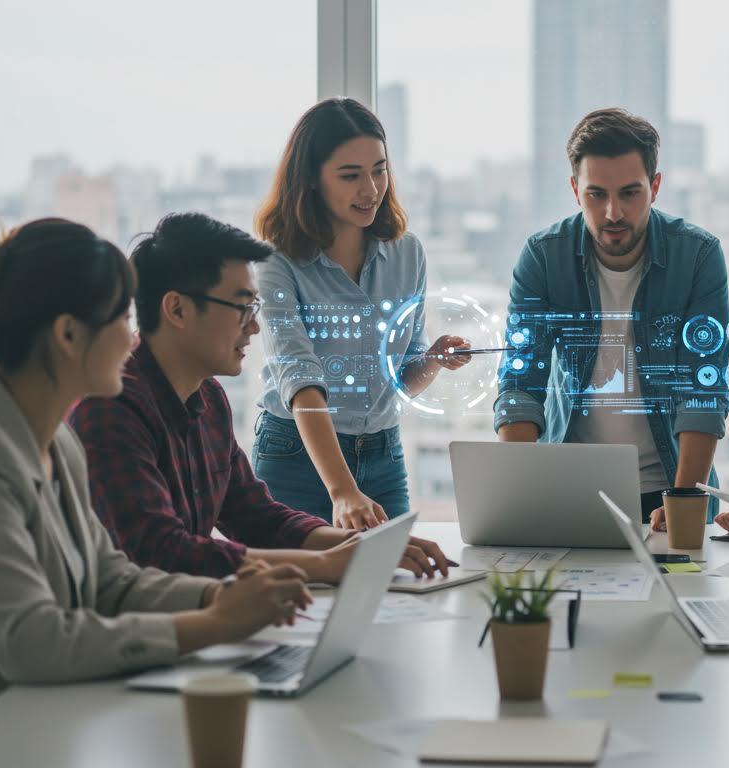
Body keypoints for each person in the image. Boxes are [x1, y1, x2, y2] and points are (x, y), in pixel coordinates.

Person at [0, 220, 311, 767]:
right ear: (69, 336)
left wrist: (221, 599)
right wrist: (215, 625)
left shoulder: (55, 444)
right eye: (121, 318)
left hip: (40, 719)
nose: (132, 336)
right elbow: (33, 641)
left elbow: (111, 581)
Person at [69, 213, 453, 581]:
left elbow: (257, 518)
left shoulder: (209, 400)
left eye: (255, 307)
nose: (254, 326)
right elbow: (161, 553)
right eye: (241, 307)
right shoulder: (110, 410)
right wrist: (327, 565)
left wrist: (364, 546)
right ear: (177, 309)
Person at [494, 108, 729, 526]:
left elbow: (703, 388)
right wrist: (524, 496)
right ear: (574, 190)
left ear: (655, 187)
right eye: (596, 194)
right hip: (566, 486)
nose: (613, 213)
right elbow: (520, 385)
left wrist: (683, 501)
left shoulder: (697, 256)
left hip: (672, 487)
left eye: (629, 193)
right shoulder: (544, 257)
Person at [252, 98, 470, 528]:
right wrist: (343, 491)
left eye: (379, 169)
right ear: (311, 179)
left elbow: (401, 378)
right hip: (296, 456)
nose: (370, 189)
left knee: (396, 587)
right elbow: (300, 379)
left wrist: (433, 362)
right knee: (303, 591)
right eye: (350, 176)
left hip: (382, 454)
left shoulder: (408, 254)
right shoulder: (276, 261)